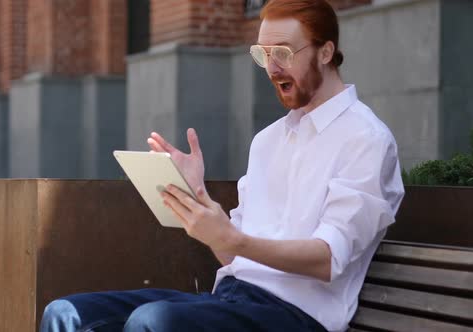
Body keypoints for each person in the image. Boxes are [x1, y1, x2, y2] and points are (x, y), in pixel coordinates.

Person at [40, 0, 405, 331]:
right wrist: (198, 199)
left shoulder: (366, 139)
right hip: (230, 299)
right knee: (65, 314)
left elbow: (329, 258)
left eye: (282, 52)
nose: (271, 67)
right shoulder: (268, 141)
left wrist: (235, 238)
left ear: (326, 52)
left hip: (297, 315)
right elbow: (232, 254)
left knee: (153, 322)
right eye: (262, 55)